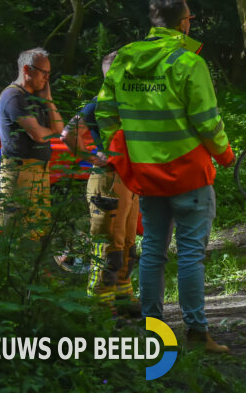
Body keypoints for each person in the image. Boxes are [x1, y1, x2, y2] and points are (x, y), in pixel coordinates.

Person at [96, 0, 234, 353]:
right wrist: (225, 155)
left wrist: (123, 155)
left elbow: (106, 113)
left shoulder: (124, 59)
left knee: (153, 250)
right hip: (188, 174)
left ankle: (153, 331)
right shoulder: (188, 62)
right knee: (190, 254)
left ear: (153, 20)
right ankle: (196, 333)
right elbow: (207, 122)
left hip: (146, 175)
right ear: (184, 22)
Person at [60, 51, 140, 317]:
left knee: (128, 243)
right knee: (108, 245)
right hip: (107, 181)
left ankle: (123, 296)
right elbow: (68, 134)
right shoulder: (98, 104)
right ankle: (100, 307)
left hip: (129, 180)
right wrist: (92, 156)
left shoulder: (130, 103)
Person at [0, 48, 64, 232]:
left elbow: (59, 129)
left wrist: (49, 100)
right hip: (21, 171)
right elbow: (39, 135)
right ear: (27, 69)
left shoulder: (36, 97)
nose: (47, 78)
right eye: (44, 72)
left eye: (49, 73)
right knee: (21, 233)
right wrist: (49, 131)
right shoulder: (13, 97)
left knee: (38, 230)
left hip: (38, 170)